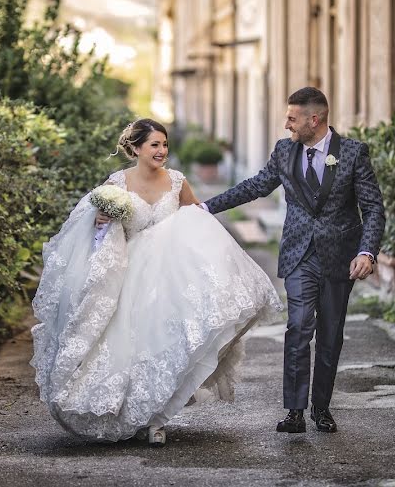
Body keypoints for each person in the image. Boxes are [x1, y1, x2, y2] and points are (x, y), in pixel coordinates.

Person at [30, 119, 283, 445]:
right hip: (130, 275)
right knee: (134, 349)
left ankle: (157, 421)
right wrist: (101, 220)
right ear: (136, 148)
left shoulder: (177, 182)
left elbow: (198, 220)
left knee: (165, 345)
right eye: (154, 145)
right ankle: (136, 413)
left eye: (164, 145)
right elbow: (91, 230)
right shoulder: (116, 184)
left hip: (169, 277)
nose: (162, 151)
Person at [200, 87, 385, 434]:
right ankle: (295, 410)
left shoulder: (353, 153)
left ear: (314, 120)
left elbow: (373, 208)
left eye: (292, 118)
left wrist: (366, 252)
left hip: (340, 258)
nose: (286, 124)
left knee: (331, 334)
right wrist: (209, 207)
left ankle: (322, 407)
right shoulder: (284, 151)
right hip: (300, 254)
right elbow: (256, 186)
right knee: (298, 327)